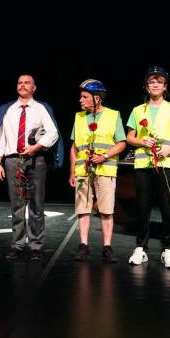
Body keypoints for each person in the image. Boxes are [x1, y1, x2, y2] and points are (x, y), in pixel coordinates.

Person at [0, 74, 61, 261]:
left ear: (34, 88)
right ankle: (17, 245)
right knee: (17, 205)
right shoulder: (8, 110)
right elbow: (1, 138)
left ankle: (36, 245)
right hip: (13, 160)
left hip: (36, 159)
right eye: (20, 83)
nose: (22, 85)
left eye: (27, 82)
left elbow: (53, 133)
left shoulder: (40, 108)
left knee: (36, 204)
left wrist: (36, 147)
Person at [125, 66, 170, 269]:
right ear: (146, 86)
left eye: (159, 82)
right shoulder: (137, 110)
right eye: (152, 81)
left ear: (165, 86)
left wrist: (168, 150)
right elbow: (130, 137)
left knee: (167, 207)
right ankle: (140, 247)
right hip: (144, 163)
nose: (155, 85)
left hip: (167, 163)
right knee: (142, 206)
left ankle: (168, 249)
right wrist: (142, 141)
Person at [68, 79, 126, 263]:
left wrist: (105, 156)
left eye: (85, 97)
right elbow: (74, 147)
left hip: (105, 169)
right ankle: (83, 245)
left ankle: (107, 247)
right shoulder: (79, 117)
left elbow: (122, 143)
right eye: (81, 96)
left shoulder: (113, 115)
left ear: (97, 98)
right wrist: (72, 171)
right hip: (83, 170)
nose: (81, 100)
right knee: (83, 209)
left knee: (106, 209)